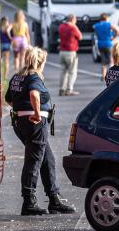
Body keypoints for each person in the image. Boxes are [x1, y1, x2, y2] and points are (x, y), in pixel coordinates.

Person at [5, 46, 76, 216]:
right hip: (35, 124)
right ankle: (29, 202)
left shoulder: (17, 77)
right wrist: (36, 113)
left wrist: (21, 110)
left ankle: (54, 199)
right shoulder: (34, 76)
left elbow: (8, 98)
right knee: (34, 161)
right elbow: (35, 95)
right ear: (40, 62)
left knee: (47, 159)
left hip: (21, 122)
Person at [58, 14, 82, 96]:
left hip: (62, 51)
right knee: (72, 72)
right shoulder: (73, 28)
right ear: (72, 19)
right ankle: (69, 89)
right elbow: (80, 37)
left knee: (63, 71)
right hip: (71, 52)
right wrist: (75, 26)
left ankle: (62, 89)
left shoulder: (61, 26)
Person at [93, 13, 119, 80]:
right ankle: (110, 75)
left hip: (100, 44)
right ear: (106, 18)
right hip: (108, 43)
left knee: (103, 60)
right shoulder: (108, 24)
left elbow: (95, 33)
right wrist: (113, 37)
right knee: (111, 60)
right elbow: (117, 31)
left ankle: (103, 75)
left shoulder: (96, 26)